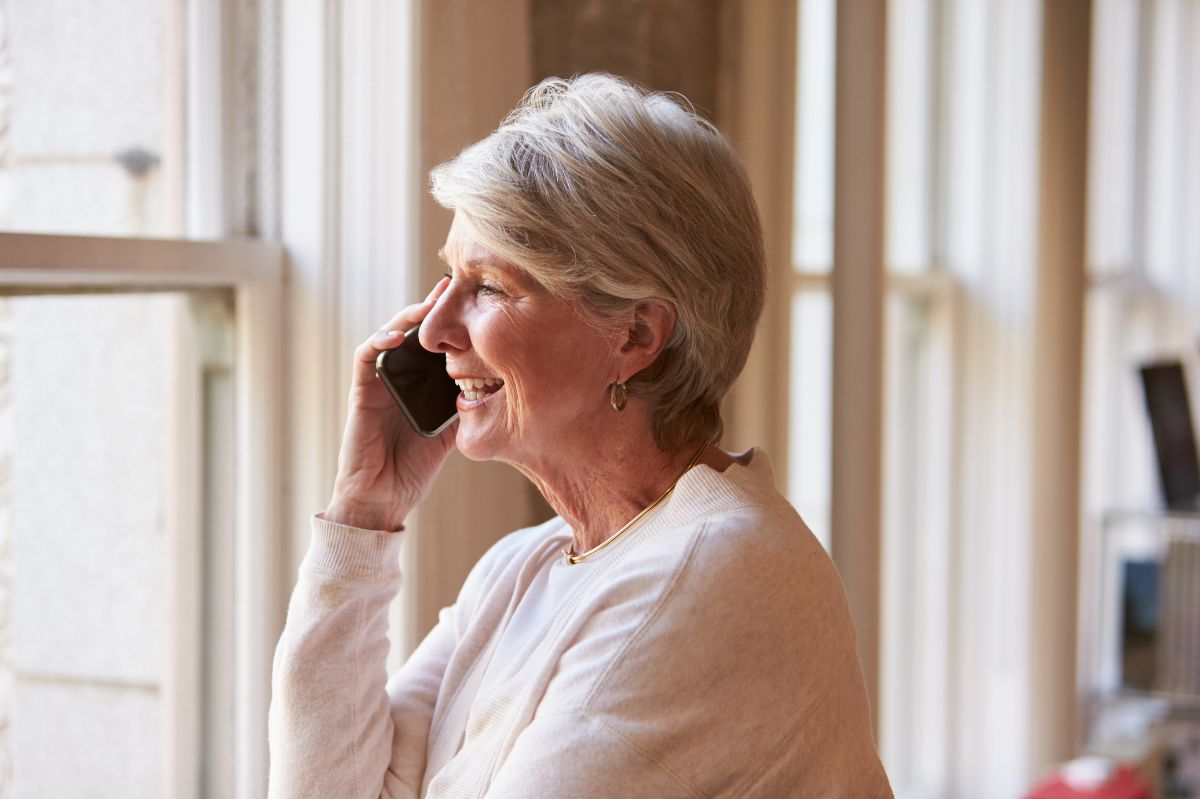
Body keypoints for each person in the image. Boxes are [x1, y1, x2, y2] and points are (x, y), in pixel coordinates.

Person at [268, 73, 893, 798]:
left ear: (635, 334)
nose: (433, 331)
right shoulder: (521, 570)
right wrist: (363, 512)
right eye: (446, 278)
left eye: (489, 286)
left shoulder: (716, 571)